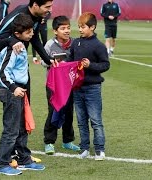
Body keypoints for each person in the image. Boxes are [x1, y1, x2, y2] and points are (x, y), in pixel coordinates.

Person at [0, 13, 45, 176]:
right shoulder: (13, 48)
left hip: (19, 90)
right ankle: (1, 164)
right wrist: (14, 87)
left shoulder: (21, 45)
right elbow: (2, 72)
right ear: (17, 34)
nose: (32, 34)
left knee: (21, 127)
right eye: (28, 32)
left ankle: (23, 159)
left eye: (32, 30)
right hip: (11, 91)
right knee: (11, 129)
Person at [68, 12, 110, 160]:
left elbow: (105, 65)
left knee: (95, 120)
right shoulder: (75, 43)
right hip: (77, 88)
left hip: (93, 88)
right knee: (81, 120)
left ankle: (99, 149)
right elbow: (70, 61)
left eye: (83, 27)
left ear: (92, 27)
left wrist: (90, 65)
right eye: (79, 27)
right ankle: (84, 148)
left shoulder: (98, 46)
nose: (80, 29)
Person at [43, 15, 80, 155]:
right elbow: (43, 62)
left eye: (68, 28)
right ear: (55, 31)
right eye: (63, 28)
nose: (66, 31)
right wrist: (52, 61)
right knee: (54, 112)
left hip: (70, 85)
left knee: (69, 112)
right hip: (53, 86)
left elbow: (79, 62)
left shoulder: (75, 43)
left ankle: (68, 141)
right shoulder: (49, 45)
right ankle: (49, 142)